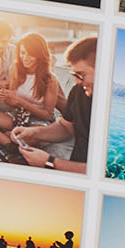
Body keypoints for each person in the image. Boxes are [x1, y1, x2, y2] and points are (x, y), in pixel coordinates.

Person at [0, 31, 63, 149]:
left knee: (32, 138)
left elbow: (47, 115)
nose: (25, 58)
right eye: (22, 53)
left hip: (39, 121)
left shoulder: (50, 79)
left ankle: (7, 137)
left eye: (31, 54)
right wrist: (6, 97)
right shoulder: (15, 69)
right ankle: (9, 142)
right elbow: (12, 103)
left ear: (40, 55)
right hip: (18, 116)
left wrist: (22, 102)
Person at [12, 36, 96, 172]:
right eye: (75, 75)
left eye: (82, 74)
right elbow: (65, 128)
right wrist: (33, 132)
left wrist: (50, 162)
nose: (76, 82)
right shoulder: (78, 92)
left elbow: (103, 173)